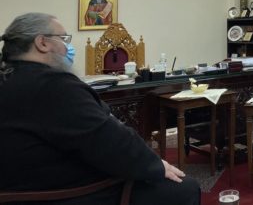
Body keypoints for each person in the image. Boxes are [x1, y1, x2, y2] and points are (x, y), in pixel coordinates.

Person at [0, 12, 200, 204]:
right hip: (61, 194)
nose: (67, 47)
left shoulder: (9, 78)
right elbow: (111, 143)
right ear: (42, 43)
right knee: (183, 189)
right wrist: (155, 165)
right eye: (63, 39)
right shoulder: (52, 84)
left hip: (21, 187)